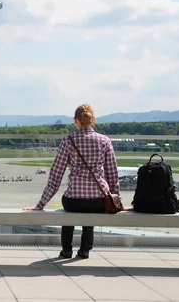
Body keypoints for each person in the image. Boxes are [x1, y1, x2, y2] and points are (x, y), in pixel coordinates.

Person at [23, 104, 120, 259]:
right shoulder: (105, 141)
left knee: (69, 206)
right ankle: (85, 249)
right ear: (93, 120)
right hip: (98, 200)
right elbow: (112, 173)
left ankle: (66, 249)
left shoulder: (68, 141)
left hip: (74, 200)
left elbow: (56, 175)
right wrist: (117, 200)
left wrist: (40, 204)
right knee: (92, 208)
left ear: (76, 120)